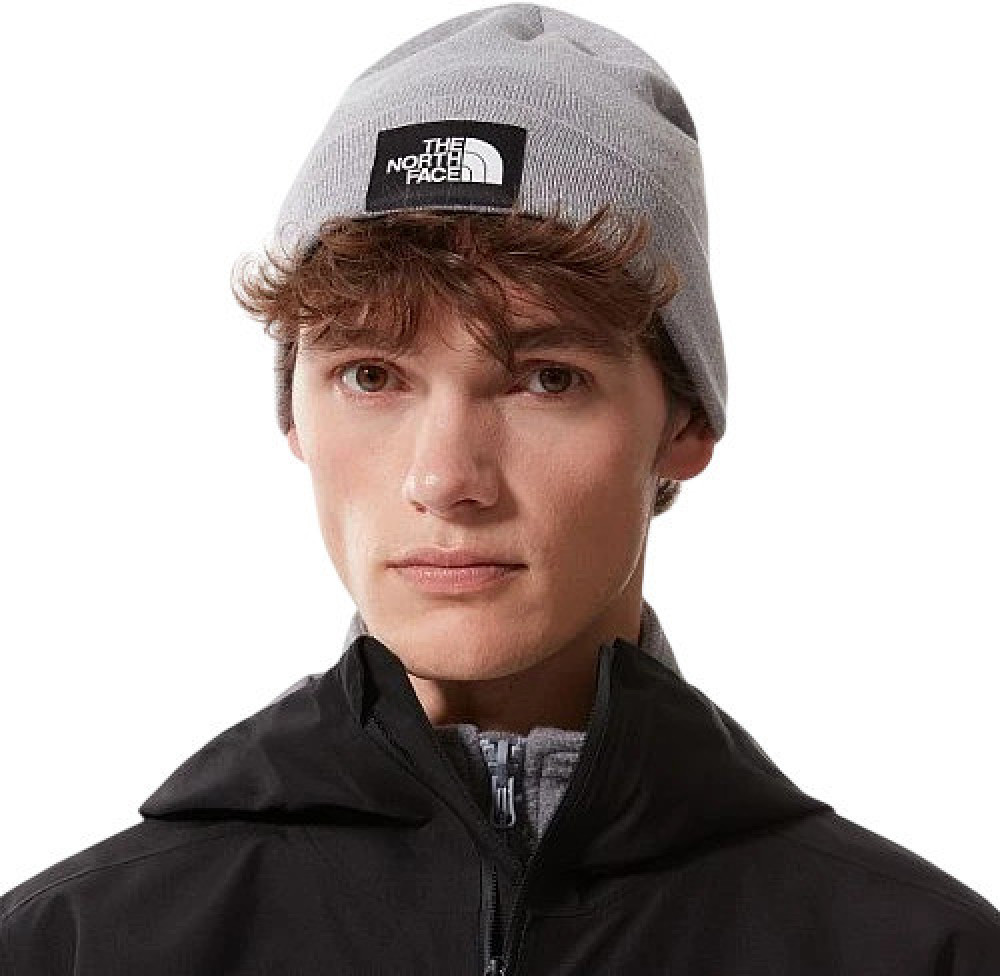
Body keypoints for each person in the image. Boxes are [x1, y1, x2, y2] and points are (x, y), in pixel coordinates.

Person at [2, 3, 997, 973]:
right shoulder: (68, 946)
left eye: (546, 379)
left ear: (685, 422)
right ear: (293, 416)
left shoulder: (922, 952)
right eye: (370, 376)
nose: (444, 479)